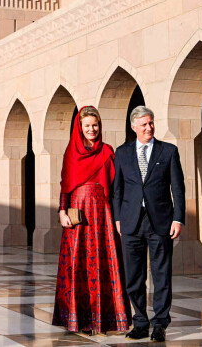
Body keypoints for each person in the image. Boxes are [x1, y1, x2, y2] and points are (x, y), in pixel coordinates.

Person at [52, 106, 128, 335]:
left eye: (95, 125)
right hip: (79, 212)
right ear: (79, 128)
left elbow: (115, 187)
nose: (91, 129)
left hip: (102, 214)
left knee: (105, 262)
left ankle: (105, 319)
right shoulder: (72, 152)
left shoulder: (106, 151)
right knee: (78, 262)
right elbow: (65, 184)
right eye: (87, 126)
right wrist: (62, 211)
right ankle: (79, 319)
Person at [112, 106, 185, 342]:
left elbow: (178, 188)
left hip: (161, 222)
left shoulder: (168, 151)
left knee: (161, 274)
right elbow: (118, 190)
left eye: (151, 123)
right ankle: (140, 322)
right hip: (131, 222)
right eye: (143, 124)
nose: (149, 127)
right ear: (133, 127)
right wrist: (118, 218)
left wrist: (178, 218)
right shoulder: (122, 153)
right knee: (134, 276)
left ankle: (160, 324)